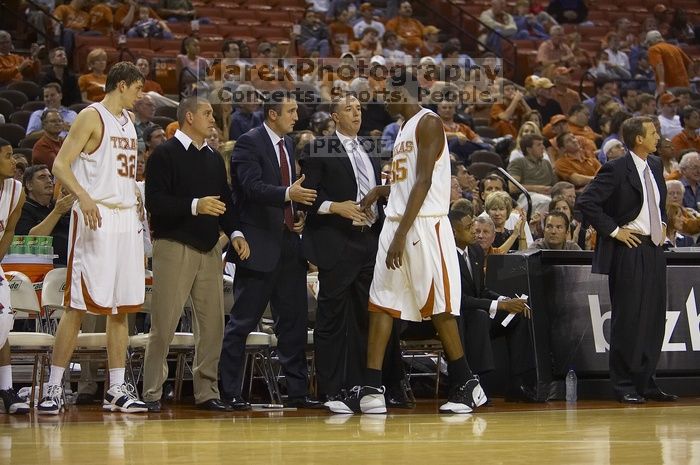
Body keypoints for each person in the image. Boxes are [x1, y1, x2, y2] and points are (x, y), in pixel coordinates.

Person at [328, 68, 487, 415]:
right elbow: (406, 182)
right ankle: (371, 389)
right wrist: (382, 192)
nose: (384, 98)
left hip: (423, 228)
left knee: (440, 309)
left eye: (388, 92)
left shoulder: (428, 123)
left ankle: (467, 384)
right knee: (381, 302)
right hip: (398, 224)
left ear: (404, 93)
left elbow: (425, 182)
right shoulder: (402, 130)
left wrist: (400, 234)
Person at [37, 62, 148, 415]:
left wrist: (137, 198)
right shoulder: (91, 115)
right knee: (79, 306)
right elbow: (60, 165)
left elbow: (121, 170)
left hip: (125, 218)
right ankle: (53, 387)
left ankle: (116, 388)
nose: (140, 95)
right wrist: (83, 196)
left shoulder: (129, 122)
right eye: (137, 89)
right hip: (95, 216)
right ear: (122, 85)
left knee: (121, 307)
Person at [142, 97, 250, 412]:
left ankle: (207, 391)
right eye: (206, 113)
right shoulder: (164, 154)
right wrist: (195, 204)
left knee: (213, 326)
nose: (212, 119)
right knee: (164, 324)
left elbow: (225, 202)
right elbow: (156, 202)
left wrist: (236, 233)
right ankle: (151, 392)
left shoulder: (214, 158)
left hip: (209, 249)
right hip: (173, 245)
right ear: (189, 117)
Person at [299, 95, 407, 406]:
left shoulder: (371, 147)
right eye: (348, 109)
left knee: (368, 317)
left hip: (369, 240)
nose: (356, 113)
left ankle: (366, 387)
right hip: (336, 240)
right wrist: (337, 207)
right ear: (334, 116)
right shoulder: (319, 147)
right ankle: (332, 390)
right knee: (332, 319)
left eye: (359, 108)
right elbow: (304, 196)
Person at [219, 92, 321, 410]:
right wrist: (286, 194)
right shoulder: (249, 142)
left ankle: (298, 392)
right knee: (242, 322)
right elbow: (249, 188)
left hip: (289, 243)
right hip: (257, 245)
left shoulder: (287, 145)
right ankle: (230, 391)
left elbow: (286, 194)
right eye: (291, 111)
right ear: (273, 114)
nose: (296, 116)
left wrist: (296, 214)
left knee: (293, 322)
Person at [577, 116, 677, 404]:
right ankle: (623, 384)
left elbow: (654, 203)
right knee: (629, 319)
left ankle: (646, 383)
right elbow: (587, 202)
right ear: (639, 139)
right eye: (653, 132)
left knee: (654, 319)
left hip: (655, 249)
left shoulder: (655, 165)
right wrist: (614, 231)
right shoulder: (616, 169)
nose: (659, 136)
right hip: (629, 250)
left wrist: (662, 225)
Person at [449, 209, 536, 402]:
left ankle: (518, 383)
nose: (474, 232)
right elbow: (459, 299)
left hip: (478, 312)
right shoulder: (446, 256)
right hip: (458, 318)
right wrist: (499, 305)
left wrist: (507, 301)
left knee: (520, 314)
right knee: (479, 315)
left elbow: (482, 290)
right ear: (454, 232)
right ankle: (478, 383)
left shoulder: (475, 251)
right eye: (469, 227)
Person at [0, 138, 29, 415]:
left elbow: (9, 230)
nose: (15, 161)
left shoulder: (16, 189)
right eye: (8, 156)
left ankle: (6, 388)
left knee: (2, 322)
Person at [16, 165, 73, 266]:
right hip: (43, 268)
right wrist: (57, 212)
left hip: (72, 263)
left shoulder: (57, 205)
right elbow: (30, 241)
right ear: (29, 185)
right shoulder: (23, 208)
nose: (49, 181)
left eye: (50, 177)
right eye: (42, 177)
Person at [646, 30, 693, 96]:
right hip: (685, 86)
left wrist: (661, 83)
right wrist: (689, 79)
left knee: (659, 103)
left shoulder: (653, 49)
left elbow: (659, 65)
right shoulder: (675, 48)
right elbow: (690, 64)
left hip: (670, 87)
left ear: (650, 42)